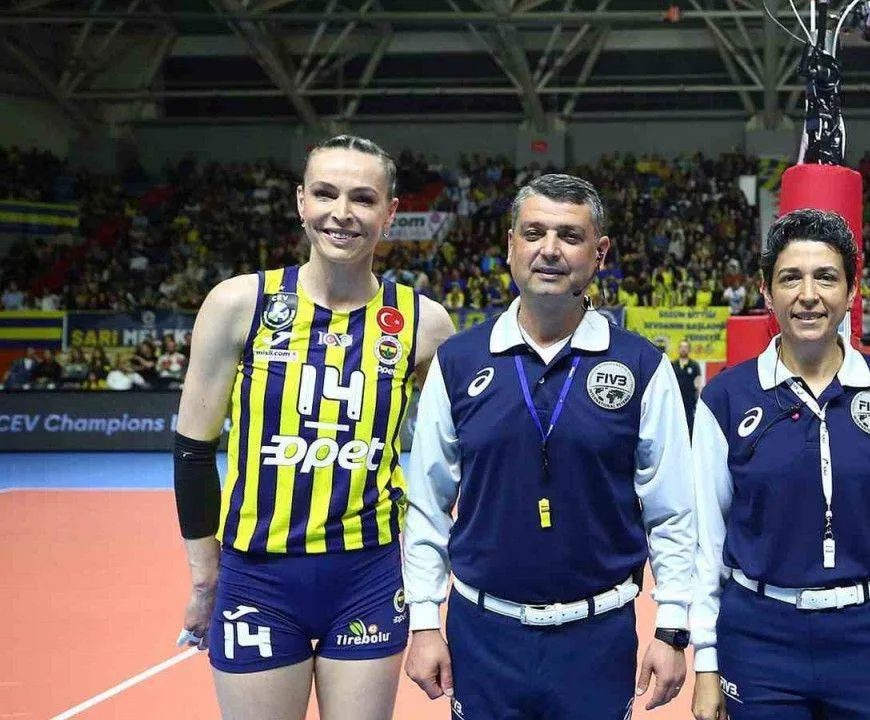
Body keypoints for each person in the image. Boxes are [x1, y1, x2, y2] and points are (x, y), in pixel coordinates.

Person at [171, 135, 454, 720]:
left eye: (363, 199)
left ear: (390, 213)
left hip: (368, 574)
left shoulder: (424, 323)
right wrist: (205, 580)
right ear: (301, 202)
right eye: (325, 194)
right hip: (257, 576)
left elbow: (454, 458)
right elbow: (193, 451)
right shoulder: (238, 304)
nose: (341, 213)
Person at [402, 173, 696, 720]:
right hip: (483, 634)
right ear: (510, 245)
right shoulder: (458, 362)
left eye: (570, 235)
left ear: (599, 253)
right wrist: (423, 620)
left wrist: (673, 626)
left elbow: (672, 512)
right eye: (534, 233)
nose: (550, 250)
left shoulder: (642, 366)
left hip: (599, 635)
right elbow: (427, 502)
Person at [690, 209, 870, 720]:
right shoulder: (726, 398)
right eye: (790, 278)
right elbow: (707, 543)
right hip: (759, 637)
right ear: (766, 291)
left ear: (852, 291)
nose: (808, 295)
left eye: (826, 277)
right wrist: (706, 659)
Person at [672, 339, 702, 436]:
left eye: (686, 347)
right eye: (681, 347)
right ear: (678, 349)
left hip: (690, 401)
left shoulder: (694, 365)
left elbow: (698, 384)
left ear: (689, 349)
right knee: (676, 425)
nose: (683, 349)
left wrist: (698, 399)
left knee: (689, 424)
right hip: (675, 401)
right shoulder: (672, 365)